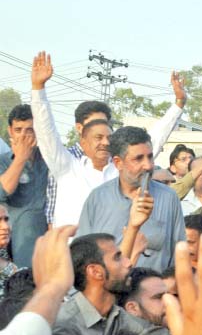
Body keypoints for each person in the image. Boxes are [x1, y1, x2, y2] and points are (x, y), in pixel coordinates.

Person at [32, 53, 185, 227]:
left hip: (115, 251)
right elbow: (46, 132)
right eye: (98, 137)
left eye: (108, 137)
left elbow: (155, 139)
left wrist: (179, 104)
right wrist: (38, 89)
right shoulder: (67, 166)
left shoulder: (120, 170)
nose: (105, 142)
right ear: (83, 140)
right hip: (71, 252)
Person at [43, 233, 180, 335]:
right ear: (95, 272)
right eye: (117, 258)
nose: (128, 263)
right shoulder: (63, 324)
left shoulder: (116, 317)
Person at [76, 127, 186, 272]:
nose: (148, 165)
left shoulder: (168, 198)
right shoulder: (97, 199)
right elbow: (83, 258)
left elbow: (179, 257)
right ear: (118, 163)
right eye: (138, 159)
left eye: (150, 157)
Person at [0, 104, 49, 268]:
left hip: (48, 242)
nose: (24, 136)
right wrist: (21, 158)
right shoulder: (4, 161)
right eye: (18, 130)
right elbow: (3, 191)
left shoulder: (49, 161)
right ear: (10, 131)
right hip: (17, 245)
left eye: (29, 130)